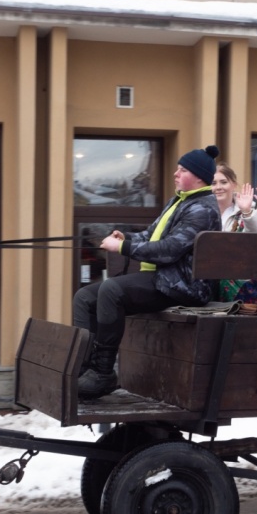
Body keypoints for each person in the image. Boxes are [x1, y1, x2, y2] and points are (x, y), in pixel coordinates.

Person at [72, 145, 222, 399]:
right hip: (164, 279)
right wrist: (126, 237)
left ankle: (102, 373)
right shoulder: (180, 201)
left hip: (183, 286)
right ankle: (83, 369)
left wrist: (122, 247)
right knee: (84, 298)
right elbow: (152, 235)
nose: (175, 173)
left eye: (183, 170)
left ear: (199, 177)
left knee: (111, 290)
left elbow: (169, 249)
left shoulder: (202, 209)